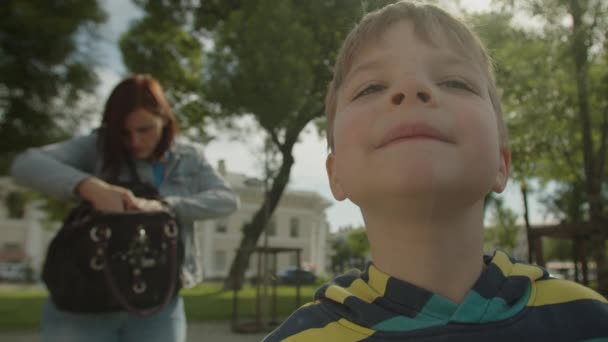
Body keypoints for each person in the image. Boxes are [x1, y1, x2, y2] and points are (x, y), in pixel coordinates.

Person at [264, 2, 608, 341]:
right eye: (371, 87)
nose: (411, 88)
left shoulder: (590, 321)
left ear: (501, 164)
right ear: (335, 173)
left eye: (456, 82)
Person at [11, 74, 239, 342]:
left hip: (159, 301)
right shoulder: (97, 146)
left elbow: (226, 199)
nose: (134, 141)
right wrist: (90, 187)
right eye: (123, 131)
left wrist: (165, 206)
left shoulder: (189, 157)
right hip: (87, 298)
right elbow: (26, 164)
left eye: (144, 129)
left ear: (164, 120)